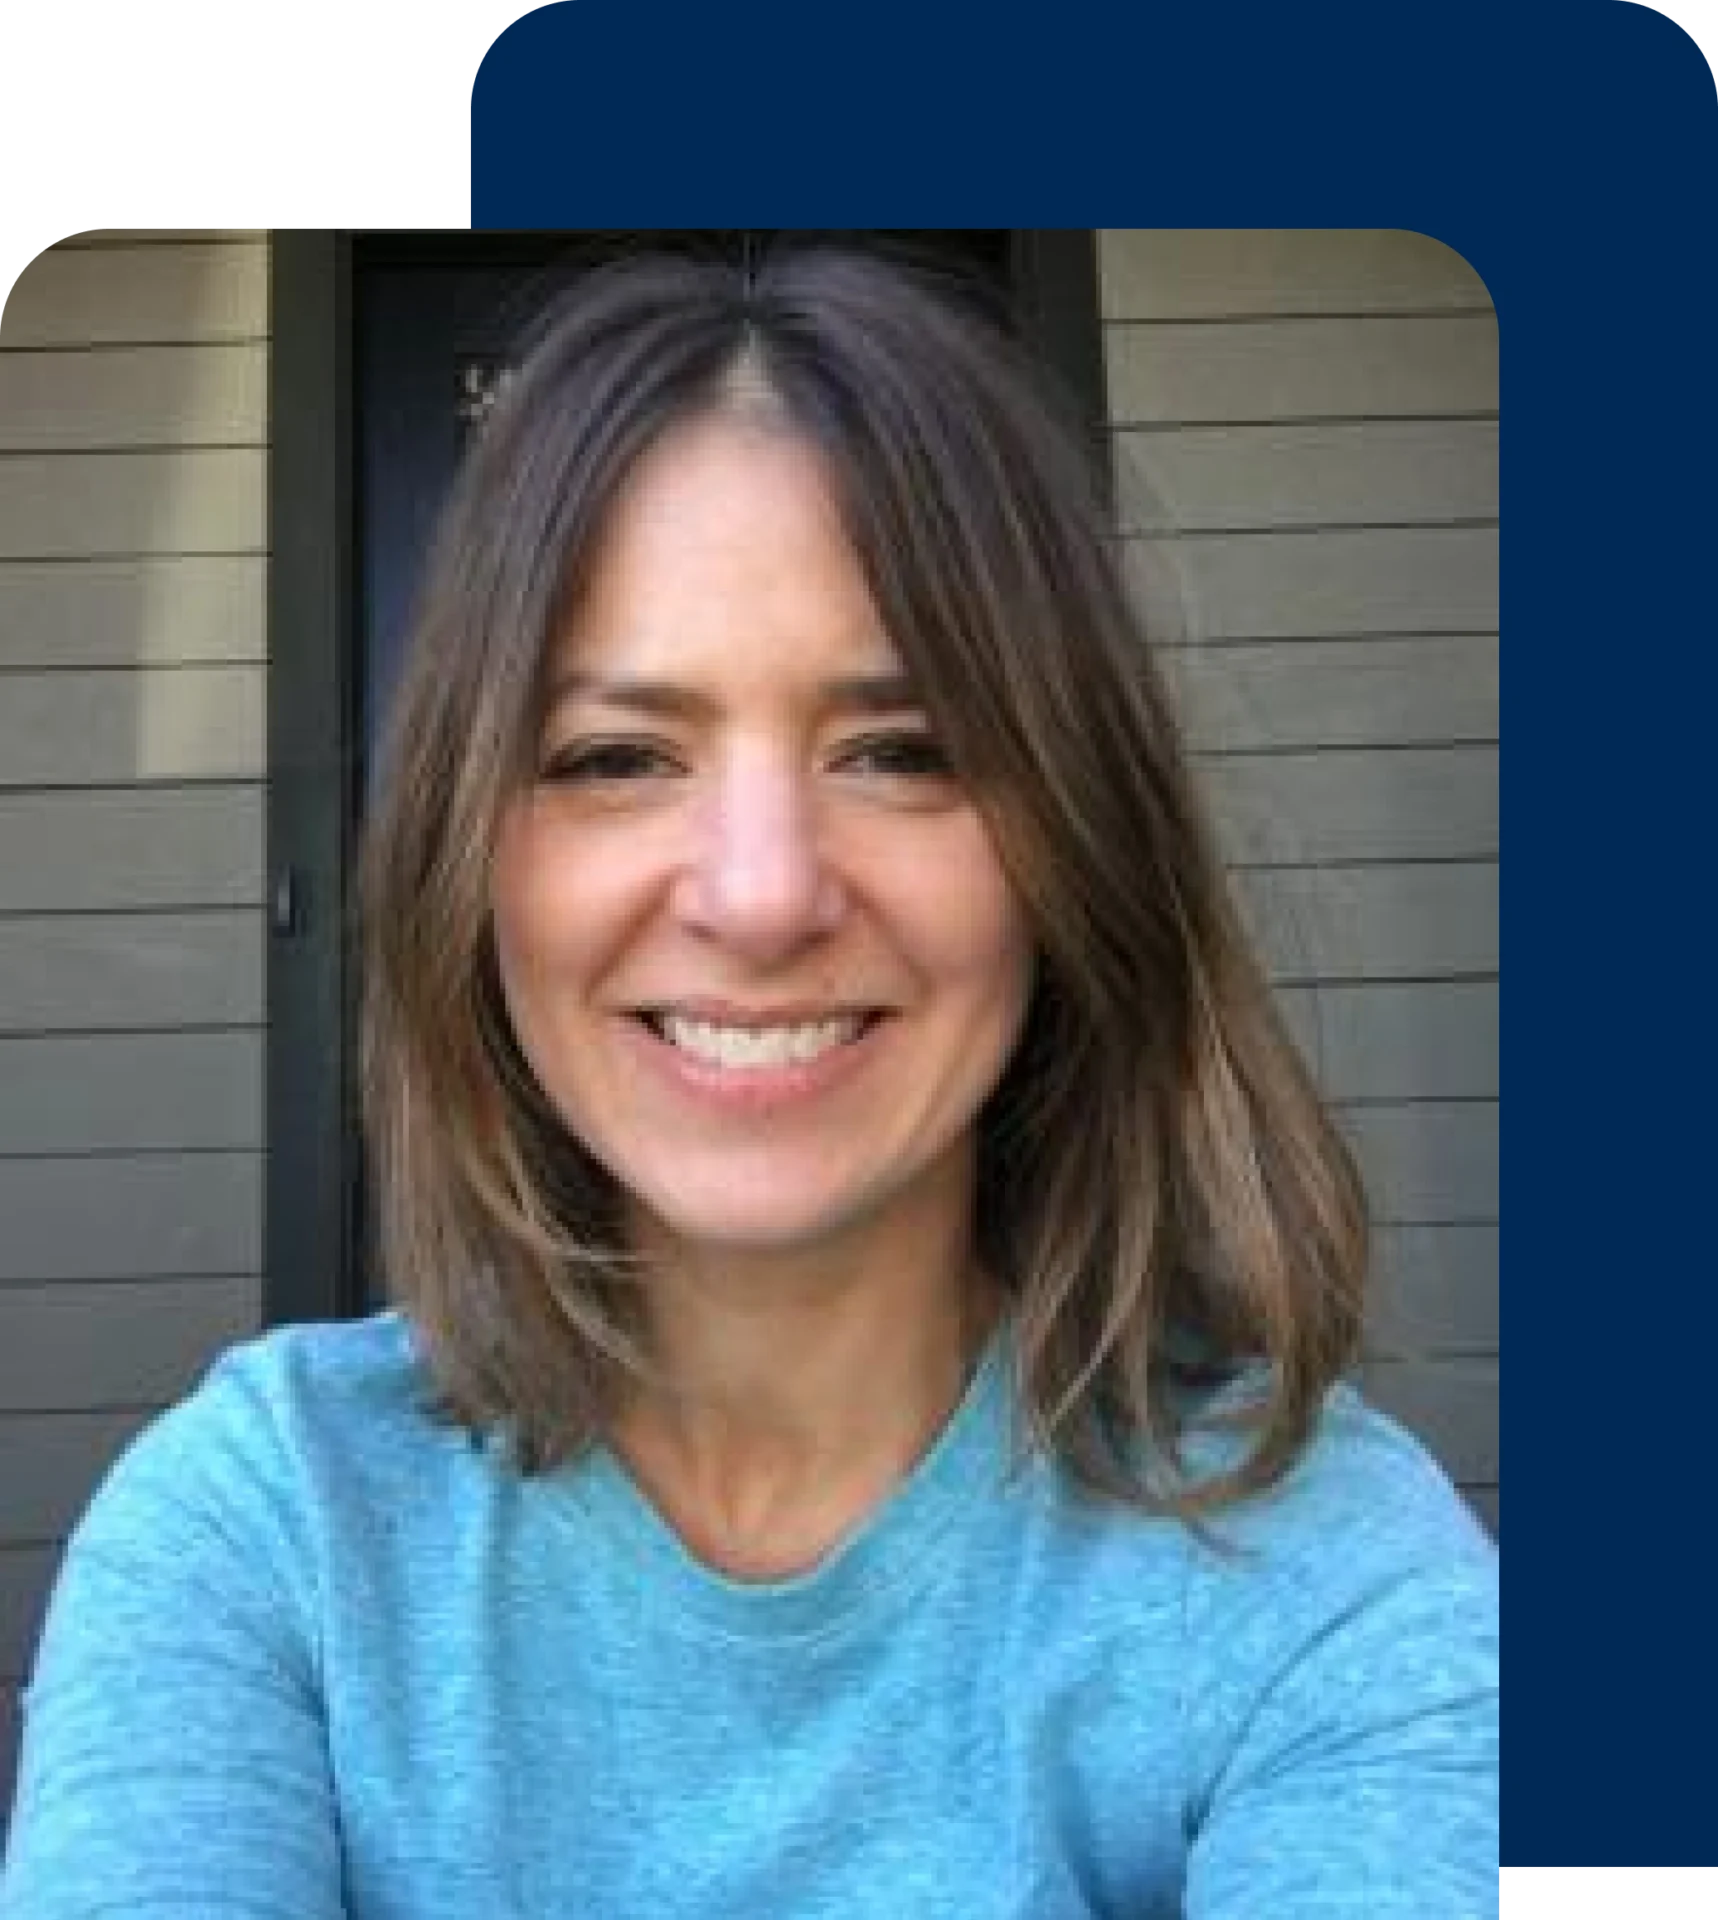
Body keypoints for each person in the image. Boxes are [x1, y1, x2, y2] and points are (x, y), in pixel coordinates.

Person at [1, 243, 1498, 1917]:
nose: (763, 892)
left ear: (1075, 844)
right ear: (467, 866)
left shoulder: (1330, 1578)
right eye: (616, 758)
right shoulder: (265, 1535)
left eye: (903, 751)